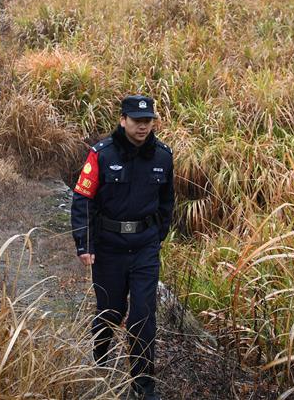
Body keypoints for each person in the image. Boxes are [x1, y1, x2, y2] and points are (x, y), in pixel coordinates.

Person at [71, 94, 175, 400]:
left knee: (143, 315)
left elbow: (167, 201)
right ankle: (101, 351)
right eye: (137, 121)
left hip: (144, 247)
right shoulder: (101, 154)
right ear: (123, 120)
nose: (143, 127)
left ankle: (143, 387)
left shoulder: (163, 156)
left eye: (148, 121)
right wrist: (84, 244)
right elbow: (83, 199)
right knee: (111, 311)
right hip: (109, 247)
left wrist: (158, 236)